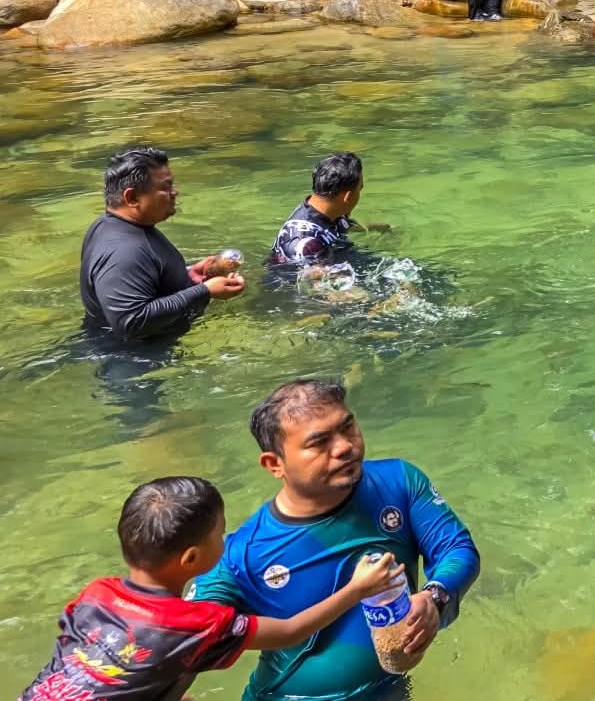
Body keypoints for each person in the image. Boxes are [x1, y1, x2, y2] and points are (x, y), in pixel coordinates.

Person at [191, 380, 480, 701]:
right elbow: (182, 635)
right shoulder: (243, 553)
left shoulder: (398, 482)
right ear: (275, 464)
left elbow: (456, 548)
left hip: (388, 689)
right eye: (319, 442)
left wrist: (434, 597)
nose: (344, 446)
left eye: (347, 427)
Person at [19, 477, 405, 701]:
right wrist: (357, 590)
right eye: (220, 533)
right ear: (191, 558)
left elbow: (83, 658)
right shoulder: (195, 622)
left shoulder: (96, 593)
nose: (227, 538)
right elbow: (291, 632)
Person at [80, 147, 244, 345]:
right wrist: (205, 291)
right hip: (133, 358)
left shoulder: (110, 226)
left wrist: (189, 276)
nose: (175, 192)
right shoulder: (123, 251)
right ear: (132, 198)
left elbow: (142, 281)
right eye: (166, 187)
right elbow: (130, 321)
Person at [269, 152, 367, 267]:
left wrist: (378, 229)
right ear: (348, 197)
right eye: (360, 190)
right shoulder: (308, 244)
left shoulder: (330, 211)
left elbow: (351, 226)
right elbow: (320, 277)